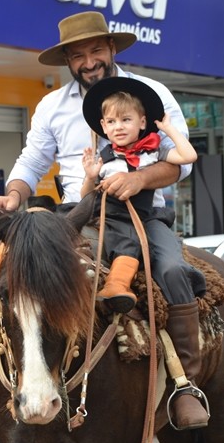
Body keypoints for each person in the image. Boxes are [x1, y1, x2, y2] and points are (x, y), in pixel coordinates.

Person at [0, 11, 208, 432]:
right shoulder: (52, 105)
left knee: (172, 272)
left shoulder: (151, 94)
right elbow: (32, 161)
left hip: (141, 213)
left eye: (96, 50)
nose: (89, 60)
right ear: (68, 60)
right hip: (73, 217)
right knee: (4, 289)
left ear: (111, 49)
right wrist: (13, 193)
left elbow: (182, 164)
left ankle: (184, 385)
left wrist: (138, 178)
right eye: (78, 55)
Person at [80, 76, 198, 314]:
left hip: (147, 219)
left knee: (171, 267)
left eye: (126, 120)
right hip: (109, 219)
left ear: (142, 122)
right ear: (103, 126)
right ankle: (1, 262)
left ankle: (187, 345)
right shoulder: (102, 157)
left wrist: (169, 130)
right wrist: (91, 176)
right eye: (112, 121)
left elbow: (188, 156)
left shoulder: (156, 150)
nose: (119, 126)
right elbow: (86, 198)